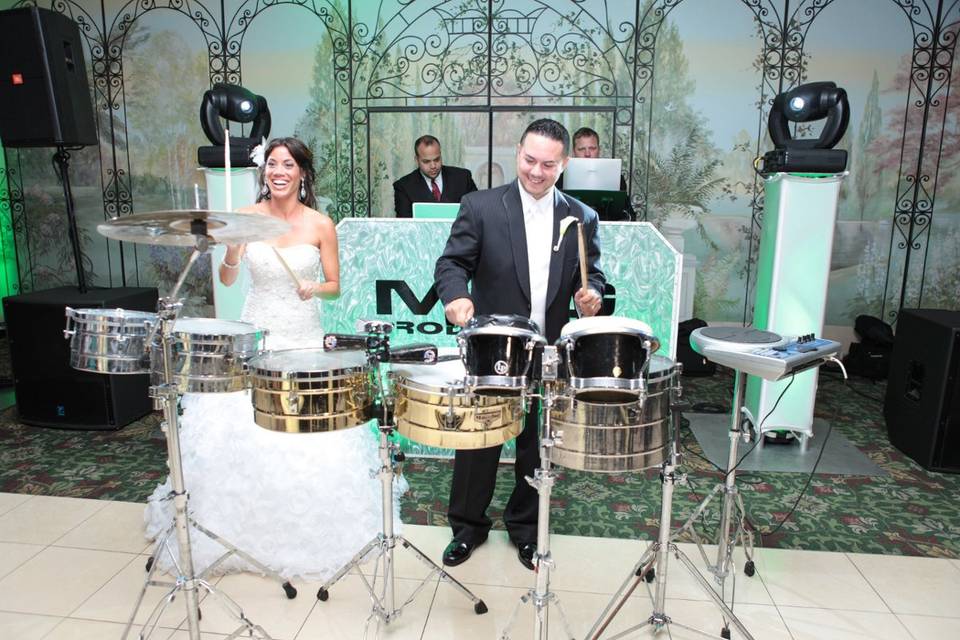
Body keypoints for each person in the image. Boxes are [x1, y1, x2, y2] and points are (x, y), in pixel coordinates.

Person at [145, 137, 402, 579]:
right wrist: (230, 253)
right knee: (244, 431)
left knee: (306, 431)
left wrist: (313, 287)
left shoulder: (321, 224)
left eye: (288, 164)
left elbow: (335, 284)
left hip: (302, 337)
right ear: (264, 172)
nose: (278, 172)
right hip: (258, 336)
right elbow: (227, 281)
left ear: (302, 173)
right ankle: (236, 530)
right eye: (272, 165)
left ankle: (309, 528)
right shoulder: (245, 219)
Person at [434, 119, 605, 570]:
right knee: (480, 440)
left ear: (563, 164)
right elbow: (452, 263)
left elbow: (595, 277)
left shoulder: (581, 216)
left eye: (548, 164)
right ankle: (467, 528)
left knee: (538, 442)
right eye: (530, 160)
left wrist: (593, 296)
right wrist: (456, 296)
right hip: (493, 346)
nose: (536, 171)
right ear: (518, 154)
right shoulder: (481, 206)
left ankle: (526, 530)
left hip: (548, 350)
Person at [557, 127, 635, 220]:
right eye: (581, 149)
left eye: (592, 148)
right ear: (574, 152)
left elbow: (629, 215)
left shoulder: (617, 177)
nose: (587, 154)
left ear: (599, 150)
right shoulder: (560, 177)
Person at [394, 135, 478, 217]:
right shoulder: (404, 187)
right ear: (417, 160)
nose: (433, 166)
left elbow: (476, 211)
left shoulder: (463, 178)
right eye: (426, 161)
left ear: (440, 155)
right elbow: (404, 225)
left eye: (437, 159)